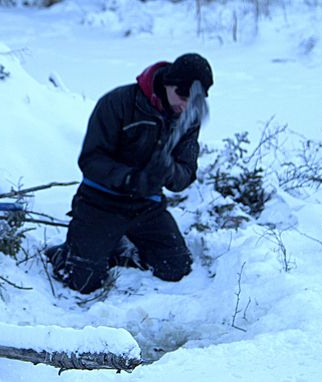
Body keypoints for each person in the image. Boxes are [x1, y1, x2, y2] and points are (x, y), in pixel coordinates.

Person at [46, 53, 214, 294]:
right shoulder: (118, 102)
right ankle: (70, 252)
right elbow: (91, 160)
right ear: (168, 83)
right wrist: (131, 178)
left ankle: (120, 242)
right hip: (99, 201)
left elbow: (185, 175)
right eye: (183, 96)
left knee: (176, 268)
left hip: (146, 206)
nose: (186, 105)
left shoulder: (189, 119)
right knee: (83, 283)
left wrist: (168, 170)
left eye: (194, 99)